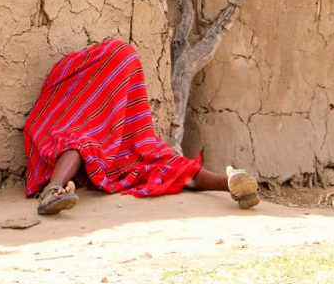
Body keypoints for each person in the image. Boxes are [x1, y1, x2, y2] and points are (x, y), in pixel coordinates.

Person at [24, 38, 260, 215]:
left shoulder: (116, 107)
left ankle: (229, 183)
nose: (125, 87)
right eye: (120, 79)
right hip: (84, 142)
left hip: (117, 144)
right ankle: (52, 192)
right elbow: (54, 131)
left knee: (163, 161)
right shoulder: (67, 96)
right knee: (80, 142)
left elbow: (139, 138)